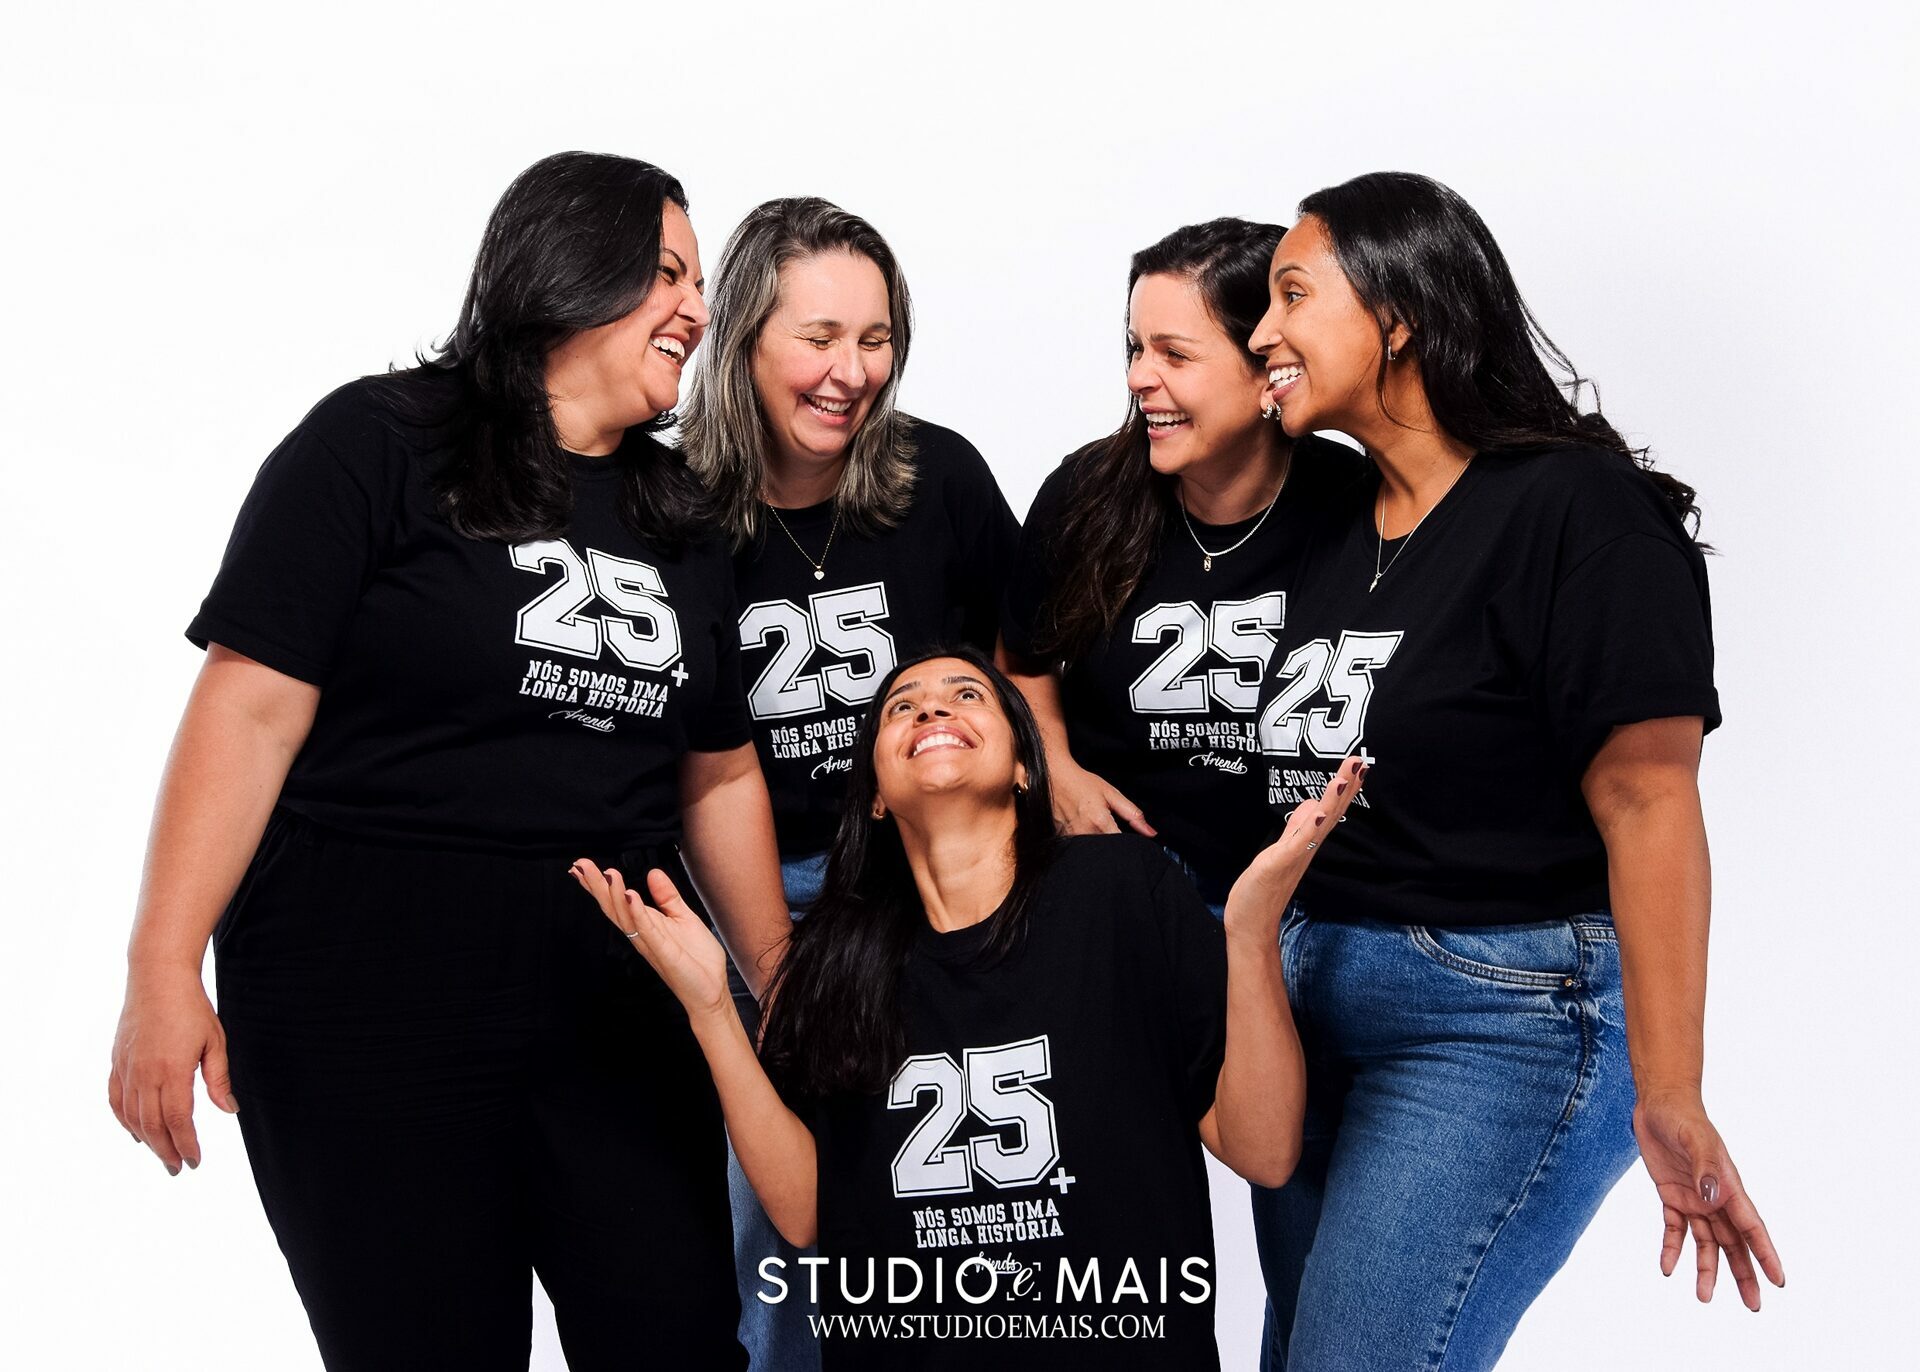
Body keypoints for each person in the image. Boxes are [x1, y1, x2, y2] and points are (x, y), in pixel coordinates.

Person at [105, 152, 791, 1370]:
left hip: (613, 999)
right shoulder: (378, 442)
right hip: (366, 995)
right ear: (570, 266)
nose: (698, 308)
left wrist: (781, 982)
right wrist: (162, 966)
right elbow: (249, 714)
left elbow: (721, 770)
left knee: (677, 1336)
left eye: (699, 281)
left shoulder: (678, 512)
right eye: (668, 272)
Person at [1246, 170, 1784, 1370]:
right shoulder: (1343, 529)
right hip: (1311, 1011)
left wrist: (1672, 1086)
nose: (1263, 333)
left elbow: (1649, 800)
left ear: (1396, 316)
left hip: (1494, 1023)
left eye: (1293, 294)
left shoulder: (1579, 512)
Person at [572, 645, 1364, 1370]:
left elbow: (1265, 1153)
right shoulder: (836, 957)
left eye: (966, 695)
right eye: (902, 706)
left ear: (1023, 766)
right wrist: (713, 1008)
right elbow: (812, 1212)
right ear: (873, 797)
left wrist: (1251, 934)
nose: (932, 708)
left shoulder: (1124, 889)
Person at [679, 197, 1020, 1368]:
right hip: (750, 896)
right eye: (818, 337)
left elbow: (1025, 656)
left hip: (927, 889)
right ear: (742, 336)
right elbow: (683, 759)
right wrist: (771, 970)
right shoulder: (670, 510)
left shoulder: (937, 475)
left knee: (964, 1201)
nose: (851, 372)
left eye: (875, 339)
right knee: (786, 1232)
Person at [999, 218, 1360, 914]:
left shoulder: (1354, 500)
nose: (1139, 377)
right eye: (1136, 348)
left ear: (1267, 367)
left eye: (1175, 354)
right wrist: (1059, 770)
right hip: (1130, 877)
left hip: (1307, 891)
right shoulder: (1085, 493)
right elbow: (1021, 658)